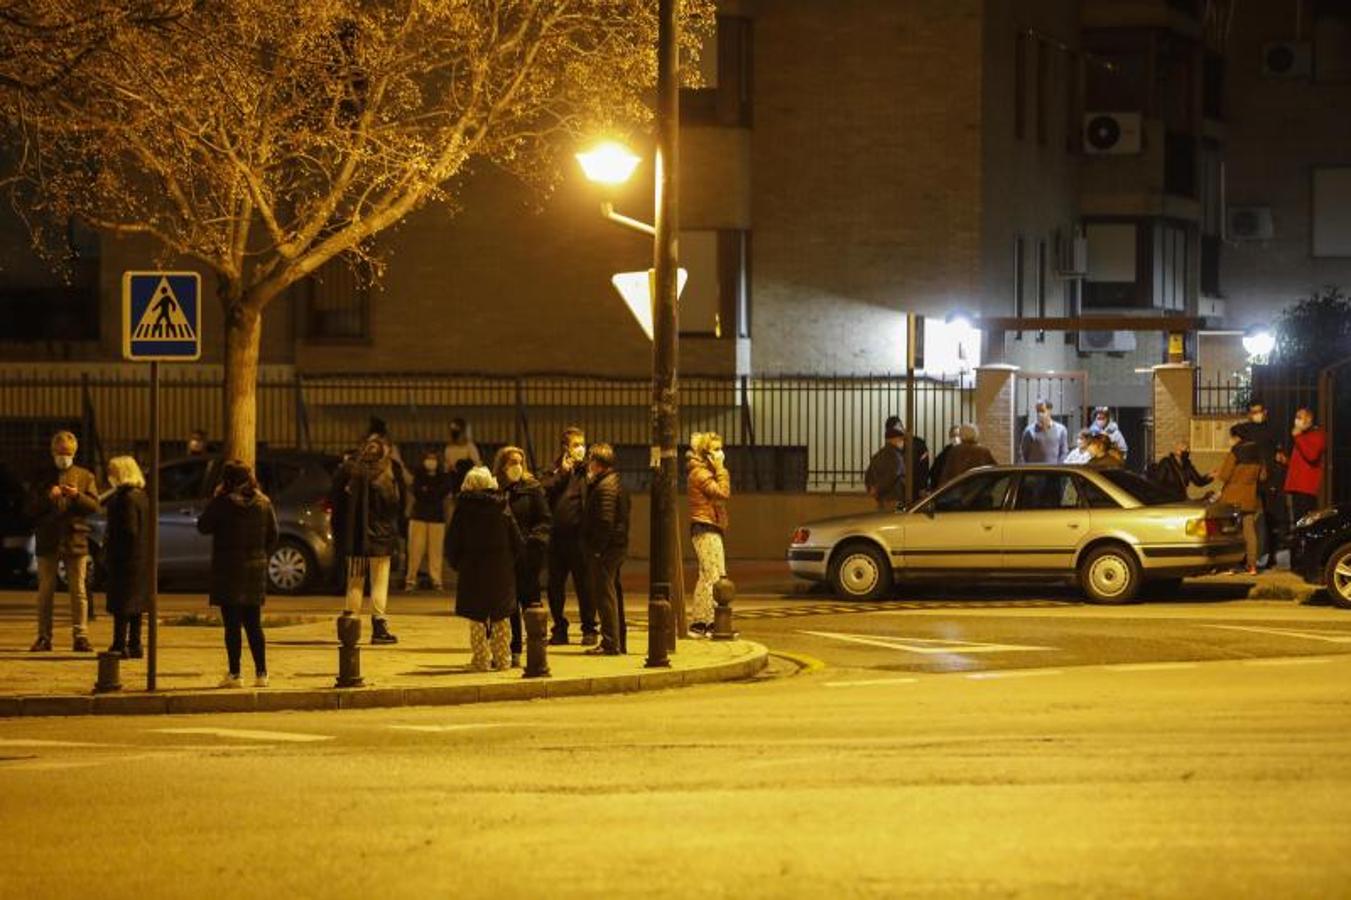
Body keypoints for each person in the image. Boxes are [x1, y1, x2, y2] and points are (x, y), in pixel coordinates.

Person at [197, 461, 279, 688]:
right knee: (254, 623)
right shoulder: (264, 502)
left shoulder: (222, 503)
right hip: (254, 570)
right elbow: (274, 535)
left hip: (228, 570)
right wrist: (261, 555)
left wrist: (214, 498)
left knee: (232, 625)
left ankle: (235, 674)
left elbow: (203, 526)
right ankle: (262, 673)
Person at [444, 466, 523, 672]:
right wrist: (508, 562)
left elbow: (453, 543)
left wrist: (458, 565)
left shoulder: (463, 509)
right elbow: (517, 541)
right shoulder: (502, 507)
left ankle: (480, 660)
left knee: (477, 618)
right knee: (501, 617)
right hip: (501, 570)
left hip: (473, 570)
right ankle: (503, 659)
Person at [26, 431, 99, 653]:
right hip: (48, 539)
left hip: (75, 538)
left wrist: (77, 496)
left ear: (74, 453)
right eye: (59, 452)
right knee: (45, 591)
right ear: (52, 452)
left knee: (78, 590)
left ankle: (81, 636)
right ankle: (44, 636)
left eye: (67, 453)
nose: (63, 457)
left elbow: (94, 506)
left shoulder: (85, 476)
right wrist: (48, 497)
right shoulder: (42, 476)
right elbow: (29, 509)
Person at [332, 436, 407, 645]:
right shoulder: (385, 473)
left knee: (355, 581)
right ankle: (379, 627)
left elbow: (336, 500)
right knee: (379, 581)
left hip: (356, 537)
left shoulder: (349, 471)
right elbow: (393, 504)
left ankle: (349, 625)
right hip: (380, 537)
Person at [493, 446, 551, 668]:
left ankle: (538, 648)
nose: (516, 466)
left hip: (528, 556)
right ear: (502, 466)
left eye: (519, 461)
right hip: (504, 556)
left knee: (531, 603)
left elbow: (544, 519)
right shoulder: (496, 488)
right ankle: (513, 649)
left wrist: (535, 541)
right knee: (509, 606)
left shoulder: (532, 488)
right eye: (511, 462)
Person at [540, 426, 596, 645]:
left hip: (580, 539)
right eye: (576, 445)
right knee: (555, 586)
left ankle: (589, 629)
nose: (581, 449)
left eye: (583, 444)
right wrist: (562, 474)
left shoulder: (587, 472)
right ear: (565, 447)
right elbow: (543, 491)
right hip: (556, 540)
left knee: (585, 585)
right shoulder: (553, 470)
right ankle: (559, 628)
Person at [581, 443, 629, 656]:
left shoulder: (605, 487)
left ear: (597, 463)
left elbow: (605, 521)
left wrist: (598, 549)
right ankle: (618, 640)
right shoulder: (612, 482)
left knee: (605, 594)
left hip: (606, 550)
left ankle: (610, 642)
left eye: (590, 460)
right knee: (612, 592)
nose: (588, 464)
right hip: (614, 547)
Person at [102, 456, 150, 659]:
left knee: (121, 604)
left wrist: (111, 547)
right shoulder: (141, 495)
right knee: (135, 604)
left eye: (111, 472)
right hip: (141, 556)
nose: (109, 476)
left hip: (125, 558)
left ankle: (119, 644)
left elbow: (128, 529)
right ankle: (135, 643)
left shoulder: (124, 499)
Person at [687, 432, 730, 638]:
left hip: (709, 527)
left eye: (721, 448)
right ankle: (709, 623)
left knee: (707, 576)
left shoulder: (704, 472)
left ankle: (701, 623)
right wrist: (721, 470)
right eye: (716, 449)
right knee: (713, 576)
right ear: (707, 454)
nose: (721, 453)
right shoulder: (701, 474)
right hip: (705, 527)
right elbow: (723, 493)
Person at [1235, 401, 1286, 568]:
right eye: (1253, 412)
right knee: (1246, 518)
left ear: (1265, 412)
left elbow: (1280, 451)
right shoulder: (1246, 429)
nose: (1256, 415)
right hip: (1250, 481)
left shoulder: (1273, 430)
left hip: (1269, 479)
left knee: (1270, 517)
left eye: (1259, 411)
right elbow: (1235, 431)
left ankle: (1272, 555)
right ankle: (1245, 556)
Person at [1214, 425, 1266, 576]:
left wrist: (1220, 473)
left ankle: (1233, 564)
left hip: (1232, 497)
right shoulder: (1258, 452)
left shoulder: (1235, 452)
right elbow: (1263, 476)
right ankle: (1252, 566)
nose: (1230, 440)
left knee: (1232, 532)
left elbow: (1224, 475)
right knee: (1250, 531)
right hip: (1249, 497)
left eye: (1232, 436)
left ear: (1237, 437)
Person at [405, 449, 452, 592]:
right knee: (415, 550)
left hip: (436, 518)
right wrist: (431, 491)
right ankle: (411, 579)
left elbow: (440, 492)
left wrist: (428, 491)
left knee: (436, 551)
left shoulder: (443, 477)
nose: (431, 462)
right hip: (418, 516)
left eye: (434, 459)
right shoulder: (419, 475)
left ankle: (436, 580)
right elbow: (419, 492)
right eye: (428, 458)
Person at [1285, 408, 1326, 528]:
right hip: (1297, 486)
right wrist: (1286, 461)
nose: (1296, 420)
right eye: (1296, 417)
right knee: (1298, 521)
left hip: (1306, 487)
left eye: (1300, 417)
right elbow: (1300, 461)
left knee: (1306, 521)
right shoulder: (1303, 436)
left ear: (1309, 420)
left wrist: (1298, 437)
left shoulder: (1318, 435)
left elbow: (1312, 456)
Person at [864, 420, 906, 509]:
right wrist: (878, 488)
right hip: (896, 499)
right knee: (899, 522)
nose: (903, 442)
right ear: (894, 439)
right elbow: (893, 475)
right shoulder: (896, 456)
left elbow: (868, 476)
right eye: (901, 439)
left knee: (883, 521)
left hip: (880, 500)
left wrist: (872, 489)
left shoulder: (877, 456)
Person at [1018, 399, 1068, 464]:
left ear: (1049, 411)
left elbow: (1063, 453)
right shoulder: (1029, 431)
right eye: (1037, 411)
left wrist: (1058, 470)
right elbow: (1022, 454)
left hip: (1053, 472)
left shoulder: (1061, 430)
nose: (1039, 414)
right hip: (1034, 472)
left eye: (1042, 411)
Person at [927, 425, 962, 493]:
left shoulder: (967, 452)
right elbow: (935, 471)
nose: (955, 438)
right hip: (947, 489)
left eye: (958, 435)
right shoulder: (944, 453)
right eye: (952, 435)